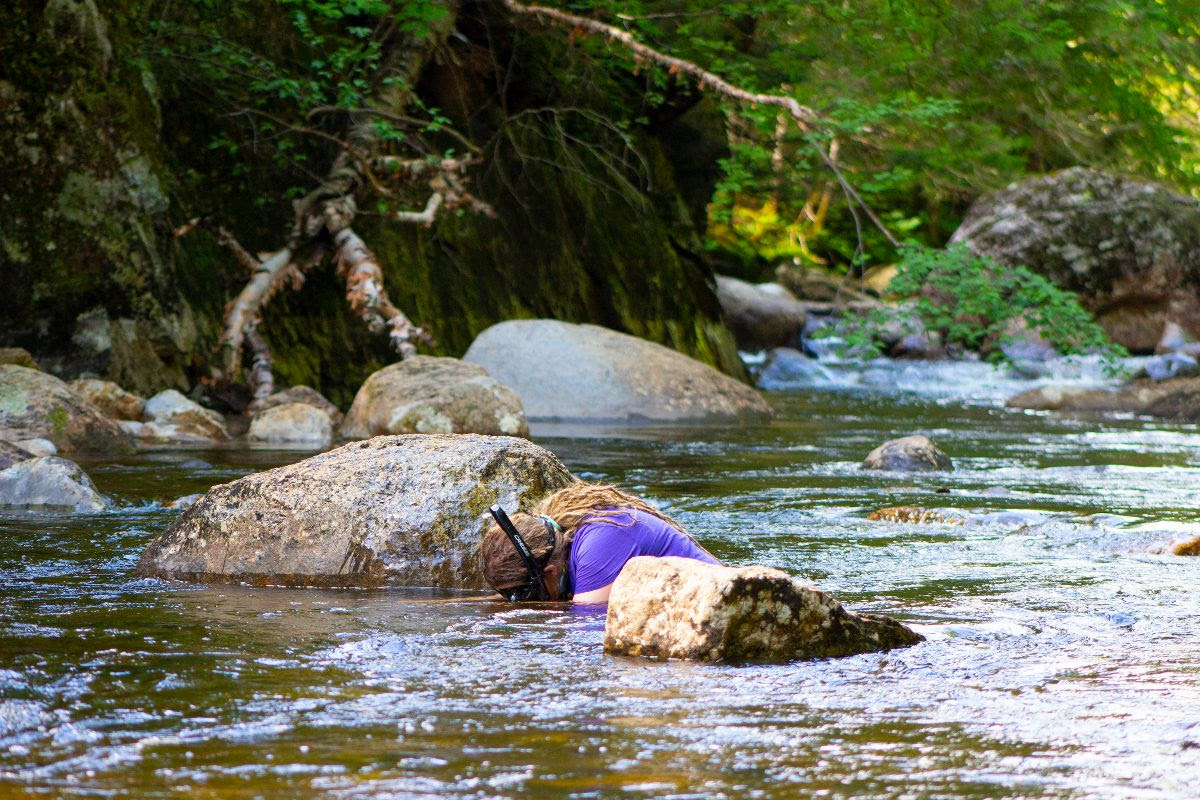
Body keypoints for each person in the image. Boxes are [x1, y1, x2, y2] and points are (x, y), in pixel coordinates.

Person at [479, 482, 719, 603]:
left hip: (714, 598)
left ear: (550, 571)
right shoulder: (566, 535)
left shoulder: (597, 546)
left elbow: (584, 623)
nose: (534, 602)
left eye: (532, 596)